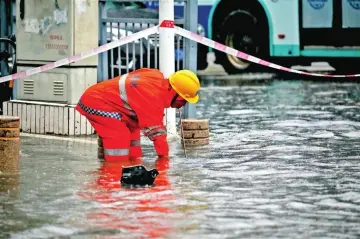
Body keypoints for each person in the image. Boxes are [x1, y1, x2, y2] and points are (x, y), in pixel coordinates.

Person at [76, 68, 201, 161]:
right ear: (175, 93)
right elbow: (158, 136)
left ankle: (130, 164)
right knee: (119, 137)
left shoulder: (155, 77)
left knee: (133, 131)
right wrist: (164, 162)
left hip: (105, 101)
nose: (183, 104)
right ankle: (112, 175)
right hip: (95, 102)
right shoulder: (153, 98)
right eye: (184, 100)